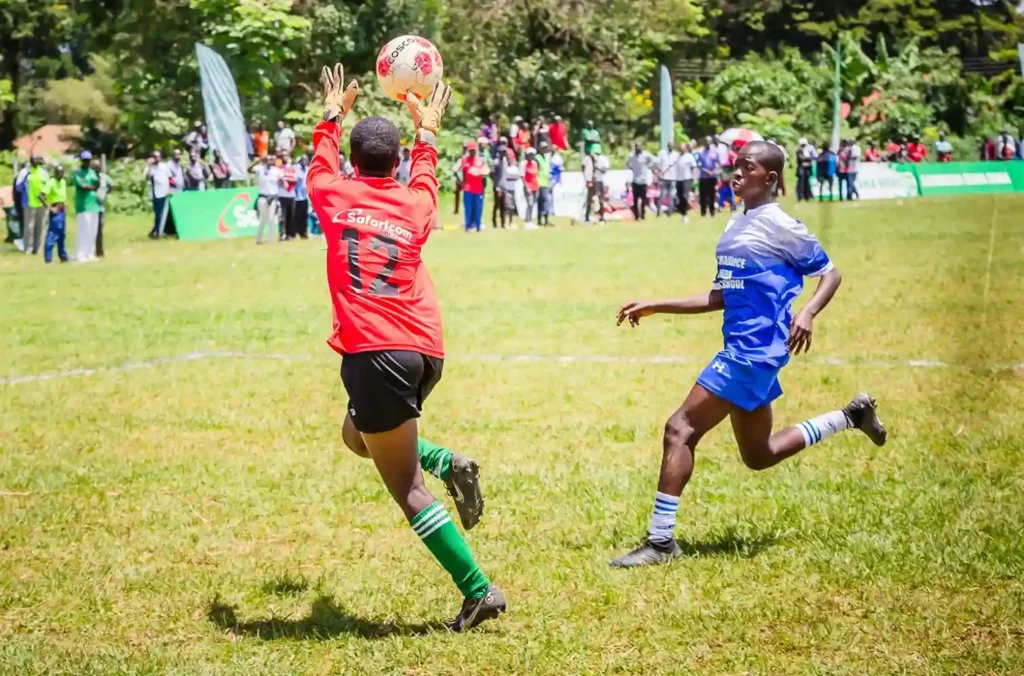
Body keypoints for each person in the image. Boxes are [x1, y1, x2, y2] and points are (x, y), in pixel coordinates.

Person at [610, 141, 887, 568]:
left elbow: (830, 273)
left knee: (679, 429)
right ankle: (850, 416)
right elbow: (722, 295)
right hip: (747, 349)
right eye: (735, 166)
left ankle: (661, 542)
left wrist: (809, 312)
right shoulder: (734, 226)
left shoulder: (780, 225)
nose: (736, 173)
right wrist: (656, 304)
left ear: (770, 178)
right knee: (759, 455)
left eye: (747, 167)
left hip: (752, 351)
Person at [307, 63, 505, 631]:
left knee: (407, 489)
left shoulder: (331, 194)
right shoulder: (415, 206)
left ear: (354, 157)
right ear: (392, 163)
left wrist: (330, 116)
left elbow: (319, 164)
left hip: (375, 351)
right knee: (357, 436)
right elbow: (425, 175)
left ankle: (479, 590)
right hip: (425, 349)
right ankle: (446, 459)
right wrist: (427, 130)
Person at [72, 150, 100, 262]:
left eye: (88, 160)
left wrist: (95, 184)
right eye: (85, 160)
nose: (87, 162)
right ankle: (80, 254)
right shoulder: (77, 172)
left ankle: (90, 253)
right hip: (83, 205)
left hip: (94, 204)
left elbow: (98, 184)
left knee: (93, 230)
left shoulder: (93, 172)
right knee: (84, 229)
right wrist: (93, 187)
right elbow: (82, 186)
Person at [39, 164, 69, 264]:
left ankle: (63, 256)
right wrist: (49, 208)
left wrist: (65, 203)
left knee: (61, 234)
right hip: (55, 211)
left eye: (61, 172)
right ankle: (48, 258)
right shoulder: (51, 182)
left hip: (62, 210)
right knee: (53, 234)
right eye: (58, 172)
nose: (60, 174)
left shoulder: (63, 182)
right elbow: (41, 196)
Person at [250, 154, 282, 244]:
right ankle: (259, 239)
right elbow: (249, 170)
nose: (269, 162)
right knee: (262, 219)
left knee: (271, 219)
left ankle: (271, 240)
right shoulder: (260, 169)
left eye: (271, 160)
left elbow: (282, 179)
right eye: (267, 160)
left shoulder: (276, 171)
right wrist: (257, 161)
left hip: (272, 197)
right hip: (263, 196)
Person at [460, 140, 488, 232]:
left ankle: (478, 226)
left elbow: (485, 173)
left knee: (478, 209)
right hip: (468, 189)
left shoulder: (481, 160)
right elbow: (462, 172)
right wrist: (462, 183)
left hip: (478, 189)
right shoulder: (464, 160)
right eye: (470, 150)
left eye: (474, 150)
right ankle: (468, 226)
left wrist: (479, 174)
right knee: (468, 209)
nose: (472, 152)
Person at [24, 156, 50, 254]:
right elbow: (19, 187)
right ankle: (28, 248)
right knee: (30, 227)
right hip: (29, 203)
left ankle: (38, 248)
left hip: (41, 203)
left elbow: (48, 186)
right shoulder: (26, 172)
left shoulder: (44, 173)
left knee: (40, 226)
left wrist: (46, 199)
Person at [144, 151, 171, 238]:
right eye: (155, 157)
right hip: (156, 193)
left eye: (158, 157)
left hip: (165, 192)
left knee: (162, 213)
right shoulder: (150, 168)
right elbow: (147, 177)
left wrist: (169, 188)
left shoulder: (164, 166)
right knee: (158, 214)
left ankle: (156, 231)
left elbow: (169, 177)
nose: (157, 158)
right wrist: (149, 166)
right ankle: (156, 232)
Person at [626, 140, 655, 221]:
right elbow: (627, 163)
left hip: (643, 181)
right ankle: (636, 216)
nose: (638, 148)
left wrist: (648, 166)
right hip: (635, 180)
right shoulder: (632, 155)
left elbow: (654, 160)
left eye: (639, 146)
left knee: (644, 199)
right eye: (637, 146)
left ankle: (642, 215)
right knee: (635, 200)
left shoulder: (646, 155)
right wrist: (631, 167)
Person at [582, 144, 607, 224]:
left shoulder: (602, 160)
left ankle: (601, 217)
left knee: (599, 200)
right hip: (590, 181)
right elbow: (583, 168)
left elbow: (604, 170)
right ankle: (587, 217)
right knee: (589, 200)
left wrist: (597, 167)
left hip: (598, 181)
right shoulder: (587, 159)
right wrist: (587, 178)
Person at [93, 159, 113, 257]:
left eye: (98, 168)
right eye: (94, 168)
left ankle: (99, 251)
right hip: (90, 207)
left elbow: (111, 185)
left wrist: (104, 192)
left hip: (100, 207)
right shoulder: (90, 177)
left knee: (99, 230)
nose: (96, 170)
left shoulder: (104, 178)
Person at [697, 137, 720, 217]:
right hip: (703, 177)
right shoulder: (700, 153)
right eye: (706, 142)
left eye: (709, 142)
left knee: (712, 195)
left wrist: (713, 172)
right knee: (703, 196)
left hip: (712, 177)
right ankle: (703, 213)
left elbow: (718, 164)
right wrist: (707, 171)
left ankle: (712, 212)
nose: (708, 143)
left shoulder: (714, 152)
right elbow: (698, 165)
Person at [278, 153, 299, 240]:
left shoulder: (293, 169)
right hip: (282, 195)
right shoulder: (279, 168)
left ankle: (290, 234)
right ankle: (283, 234)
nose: (285, 157)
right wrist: (286, 179)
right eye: (284, 156)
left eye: (287, 156)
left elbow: (295, 179)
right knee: (283, 216)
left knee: (291, 216)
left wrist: (286, 179)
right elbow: (279, 178)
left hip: (292, 195)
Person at [655, 141, 679, 217]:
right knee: (662, 195)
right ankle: (659, 212)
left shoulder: (676, 154)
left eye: (672, 145)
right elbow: (657, 163)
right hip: (663, 178)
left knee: (671, 196)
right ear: (667, 146)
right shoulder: (662, 153)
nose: (670, 147)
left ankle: (670, 212)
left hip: (672, 178)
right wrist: (660, 170)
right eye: (669, 145)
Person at [500, 147, 522, 229]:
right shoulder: (505, 167)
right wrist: (511, 177)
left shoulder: (515, 167)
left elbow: (517, 176)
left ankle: (511, 222)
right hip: (507, 189)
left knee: (512, 207)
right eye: (507, 158)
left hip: (514, 189)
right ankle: (506, 223)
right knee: (507, 207)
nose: (509, 159)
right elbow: (505, 176)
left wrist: (510, 176)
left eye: (510, 158)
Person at [676, 141, 697, 223]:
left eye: (683, 148)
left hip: (687, 179)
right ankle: (683, 213)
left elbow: (694, 167)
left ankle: (685, 214)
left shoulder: (689, 156)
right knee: (679, 197)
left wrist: (694, 177)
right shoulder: (677, 157)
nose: (681, 149)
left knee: (685, 196)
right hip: (678, 179)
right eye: (680, 148)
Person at [536, 141, 553, 226]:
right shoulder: (537, 158)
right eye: (544, 148)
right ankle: (545, 220)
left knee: (542, 201)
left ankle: (541, 220)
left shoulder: (545, 158)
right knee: (545, 201)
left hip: (546, 182)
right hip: (540, 182)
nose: (546, 149)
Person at [293, 154, 310, 239]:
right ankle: (295, 232)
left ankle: (303, 233)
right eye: (303, 160)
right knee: (296, 216)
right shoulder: (295, 168)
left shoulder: (307, 169)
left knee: (304, 216)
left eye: (306, 160)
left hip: (304, 196)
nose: (305, 162)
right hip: (296, 196)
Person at [523, 148, 540, 230]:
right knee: (529, 203)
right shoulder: (524, 164)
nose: (531, 156)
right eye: (530, 154)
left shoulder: (535, 163)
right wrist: (527, 187)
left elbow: (536, 174)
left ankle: (530, 220)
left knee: (533, 204)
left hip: (535, 186)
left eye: (532, 155)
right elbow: (522, 176)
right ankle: (527, 221)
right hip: (528, 186)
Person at [795, 138, 815, 202]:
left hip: (808, 168)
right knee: (801, 183)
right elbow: (801, 158)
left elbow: (813, 157)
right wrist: (808, 158)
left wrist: (808, 158)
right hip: (801, 168)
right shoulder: (799, 151)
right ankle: (800, 196)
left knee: (807, 183)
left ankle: (807, 196)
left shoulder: (808, 150)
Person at [451, 141, 467, 215]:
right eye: (464, 147)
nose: (465, 148)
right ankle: (456, 209)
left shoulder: (468, 157)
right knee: (457, 194)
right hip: (459, 178)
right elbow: (454, 170)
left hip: (465, 179)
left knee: (465, 196)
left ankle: (465, 209)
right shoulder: (460, 157)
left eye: (465, 147)